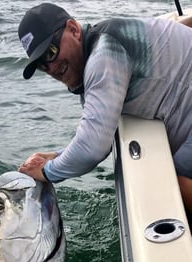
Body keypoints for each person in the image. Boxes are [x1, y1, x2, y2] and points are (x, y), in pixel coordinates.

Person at [17, 3, 192, 215]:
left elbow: (93, 147)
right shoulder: (95, 54)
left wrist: (46, 171)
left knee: (177, 185)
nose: (51, 68)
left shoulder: (105, 53)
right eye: (41, 65)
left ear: (73, 29)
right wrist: (55, 156)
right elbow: (101, 131)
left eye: (51, 52)